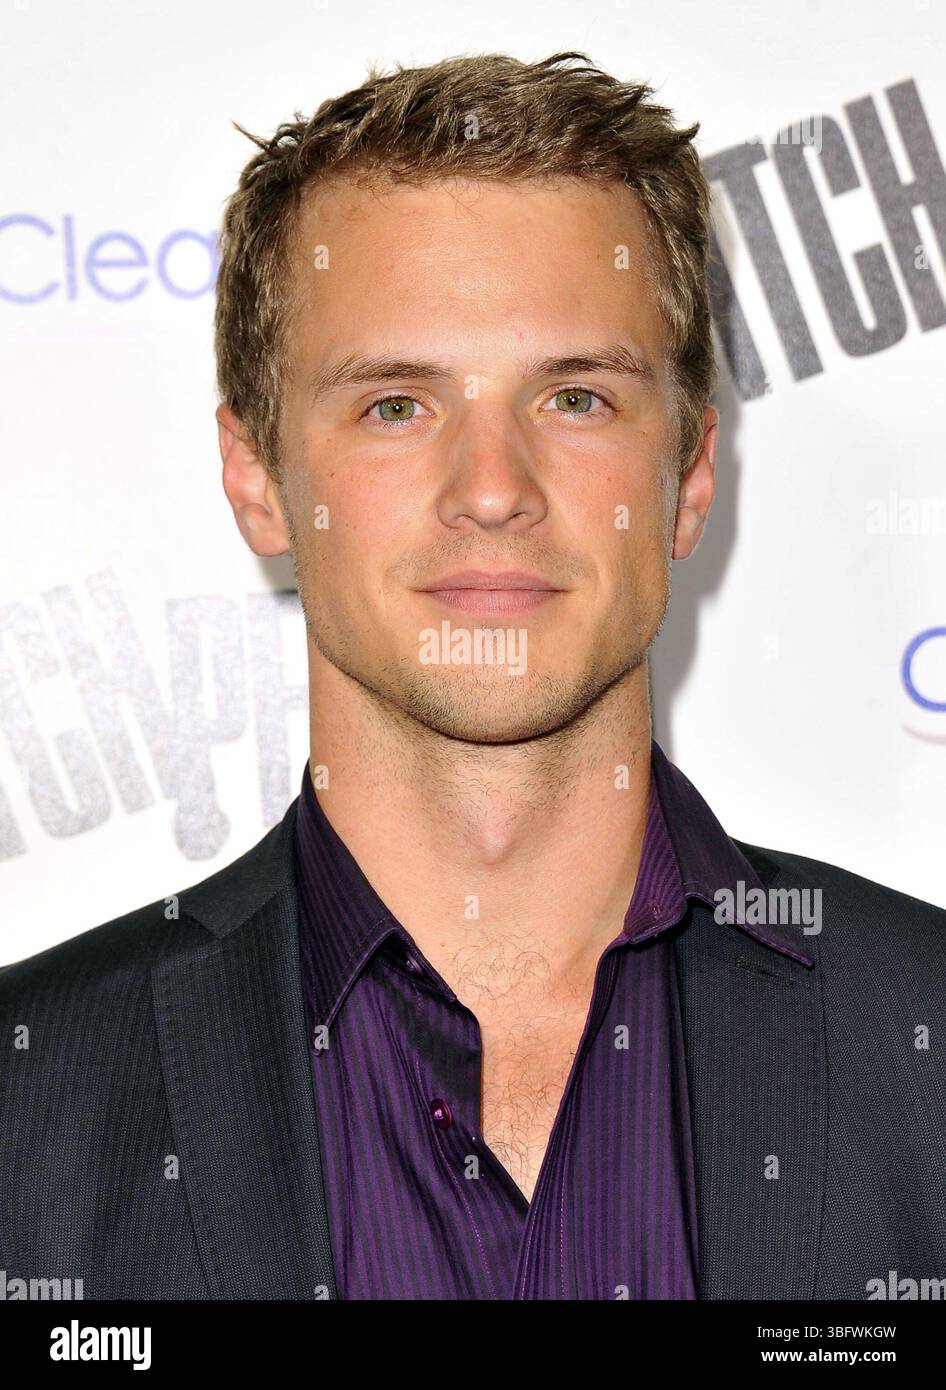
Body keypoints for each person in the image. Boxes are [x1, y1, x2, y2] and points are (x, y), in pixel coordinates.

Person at [3, 51, 945, 1302]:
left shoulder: (919, 1040)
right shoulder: (35, 1103)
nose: (492, 488)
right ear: (258, 480)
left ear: (691, 475)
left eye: (575, 396)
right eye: (396, 404)